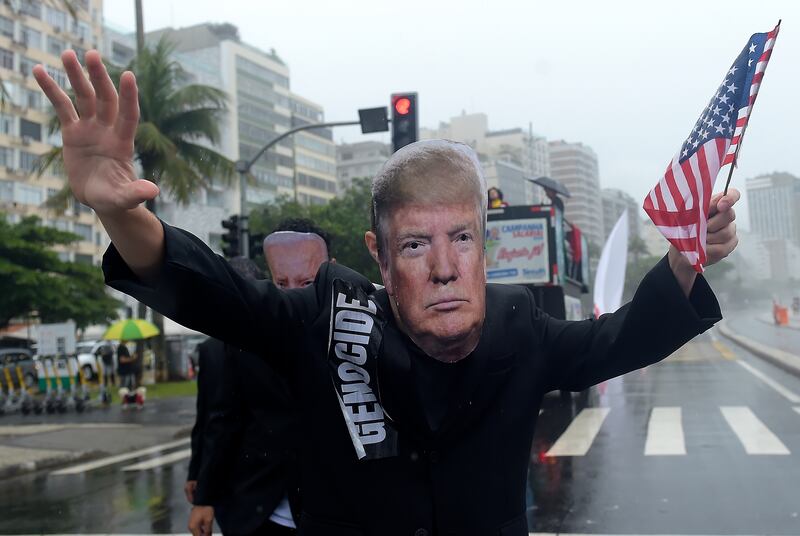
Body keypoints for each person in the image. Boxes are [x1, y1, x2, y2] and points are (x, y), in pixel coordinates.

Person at [34, 51, 739, 535]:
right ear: (377, 253)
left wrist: (685, 259)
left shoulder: (523, 326)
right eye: (413, 244)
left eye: (461, 239)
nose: (442, 267)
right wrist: (121, 212)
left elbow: (623, 336)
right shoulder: (329, 318)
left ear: (484, 245)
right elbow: (215, 293)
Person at [188, 229, 330, 536]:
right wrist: (205, 497)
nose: (295, 293)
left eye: (307, 282)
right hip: (260, 508)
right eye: (282, 283)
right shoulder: (242, 342)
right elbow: (220, 419)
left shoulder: (353, 333)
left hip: (332, 511)